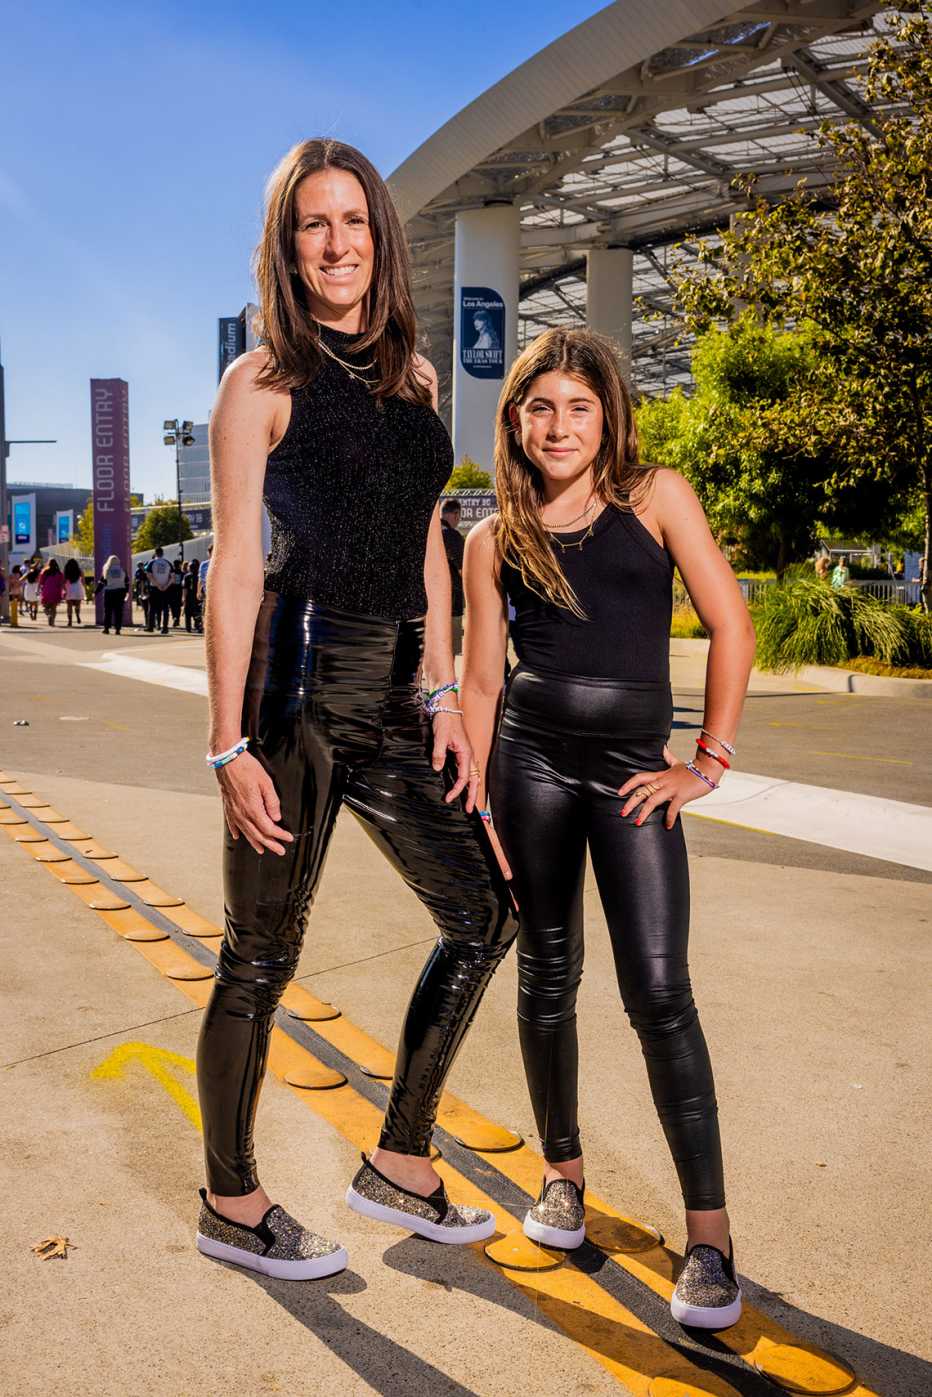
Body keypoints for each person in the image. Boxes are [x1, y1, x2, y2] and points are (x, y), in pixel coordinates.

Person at [194, 137, 516, 1282]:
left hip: (391, 697)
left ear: (380, 237)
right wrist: (227, 738)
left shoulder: (413, 381)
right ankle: (232, 1200)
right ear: (287, 249)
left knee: (483, 914)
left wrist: (440, 688)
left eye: (354, 223)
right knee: (260, 958)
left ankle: (398, 1161)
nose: (336, 245)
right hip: (293, 692)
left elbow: (426, 540)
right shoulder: (260, 383)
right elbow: (234, 567)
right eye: (311, 226)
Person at [461, 329, 757, 1330]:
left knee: (659, 990)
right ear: (514, 420)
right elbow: (481, 679)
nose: (557, 424)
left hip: (633, 776)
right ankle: (560, 1173)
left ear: (607, 414)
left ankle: (709, 1236)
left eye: (576, 406)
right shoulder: (492, 538)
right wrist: (478, 795)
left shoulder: (655, 497)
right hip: (528, 766)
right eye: (538, 406)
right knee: (546, 973)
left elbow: (730, 623)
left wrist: (704, 761)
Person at [440, 498, 465, 655]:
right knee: (449, 649)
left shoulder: (430, 531)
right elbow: (464, 569)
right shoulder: (452, 535)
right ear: (455, 514)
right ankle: (447, 680)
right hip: (451, 602)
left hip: (427, 602)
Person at [96, 554, 128, 634]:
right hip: (120, 592)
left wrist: (96, 592)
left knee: (108, 611)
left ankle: (106, 628)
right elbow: (127, 582)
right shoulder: (122, 570)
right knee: (118, 611)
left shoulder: (106, 570)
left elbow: (102, 583)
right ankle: (118, 629)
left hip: (109, 592)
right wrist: (126, 592)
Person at [146, 546, 173, 633]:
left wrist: (157, 585)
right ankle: (165, 628)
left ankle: (150, 627)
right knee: (165, 608)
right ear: (162, 553)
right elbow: (172, 578)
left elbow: (149, 575)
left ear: (155, 553)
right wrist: (165, 586)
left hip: (154, 588)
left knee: (152, 608)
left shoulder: (151, 562)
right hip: (166, 588)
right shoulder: (168, 563)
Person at [38, 558, 66, 625]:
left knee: (45, 607)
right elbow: (62, 583)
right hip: (56, 591)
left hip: (47, 591)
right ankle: (52, 621)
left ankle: (48, 615)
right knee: (54, 607)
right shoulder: (59, 573)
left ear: (49, 564)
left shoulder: (45, 572)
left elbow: (41, 582)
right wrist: (64, 591)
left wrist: (38, 590)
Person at [63, 557, 85, 626]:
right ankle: (77, 615)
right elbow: (83, 581)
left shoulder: (66, 571)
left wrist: (64, 589)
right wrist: (83, 588)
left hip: (69, 588)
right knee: (78, 604)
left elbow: (63, 582)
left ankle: (70, 621)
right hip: (78, 588)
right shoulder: (79, 570)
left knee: (69, 606)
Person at [182, 559, 202, 633]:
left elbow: (185, 588)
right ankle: (198, 626)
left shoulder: (187, 576)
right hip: (197, 596)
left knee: (187, 613)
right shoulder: (199, 575)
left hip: (189, 597)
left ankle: (188, 628)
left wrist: (184, 597)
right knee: (197, 612)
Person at [169, 557, 184, 628]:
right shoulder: (182, 573)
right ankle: (177, 618)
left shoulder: (171, 572)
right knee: (178, 606)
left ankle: (174, 617)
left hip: (172, 591)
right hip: (179, 591)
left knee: (172, 606)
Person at [197, 544, 212, 613]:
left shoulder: (222, 563)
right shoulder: (204, 564)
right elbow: (200, 579)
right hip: (207, 593)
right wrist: (199, 591)